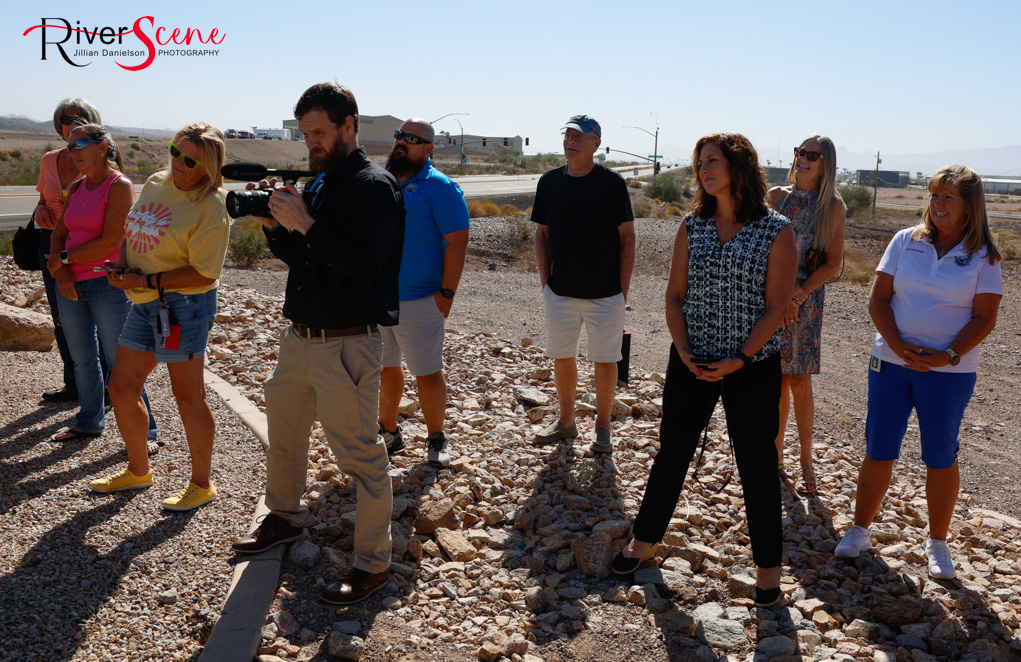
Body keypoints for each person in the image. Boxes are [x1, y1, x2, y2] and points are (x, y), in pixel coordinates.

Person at [230, 83, 405, 606]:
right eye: (305, 134)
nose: (311, 143)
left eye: (320, 133)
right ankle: (283, 518)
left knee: (361, 456)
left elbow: (362, 268)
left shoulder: (375, 187)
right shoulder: (323, 183)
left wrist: (304, 221)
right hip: (300, 338)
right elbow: (306, 259)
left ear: (349, 125)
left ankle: (373, 563)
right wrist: (273, 225)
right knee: (284, 435)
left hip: (348, 344)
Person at [613, 133, 796, 608]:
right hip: (691, 360)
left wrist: (740, 357)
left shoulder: (776, 229)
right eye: (700, 163)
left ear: (738, 166)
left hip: (752, 365)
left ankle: (768, 574)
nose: (703, 169)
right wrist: (685, 350)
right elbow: (674, 296)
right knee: (672, 451)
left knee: (757, 464)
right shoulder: (691, 226)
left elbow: (778, 305)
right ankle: (642, 541)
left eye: (712, 160)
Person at [834, 165, 1002, 580]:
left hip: (948, 372)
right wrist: (897, 346)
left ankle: (938, 542)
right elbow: (878, 299)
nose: (938, 204)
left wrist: (947, 356)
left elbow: (984, 318)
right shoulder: (905, 240)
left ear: (969, 207)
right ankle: (859, 529)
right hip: (891, 364)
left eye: (949, 197)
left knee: (940, 456)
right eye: (934, 195)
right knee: (879, 447)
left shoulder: (985, 255)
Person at [88, 123, 231, 512]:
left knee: (188, 395)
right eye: (175, 151)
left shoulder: (212, 206)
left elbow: (205, 272)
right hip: (147, 301)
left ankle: (202, 484)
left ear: (209, 165)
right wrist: (120, 263)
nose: (179, 162)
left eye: (190, 159)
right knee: (121, 387)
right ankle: (138, 471)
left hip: (184, 307)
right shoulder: (156, 181)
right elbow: (132, 231)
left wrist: (145, 278)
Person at [44, 124, 157, 444]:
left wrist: (63, 259)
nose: (72, 152)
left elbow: (111, 239)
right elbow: (57, 233)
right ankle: (89, 421)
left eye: (79, 144)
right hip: (70, 284)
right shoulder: (78, 186)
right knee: (82, 359)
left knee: (121, 362)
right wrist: (62, 272)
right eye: (69, 146)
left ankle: (146, 432)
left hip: (106, 284)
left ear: (103, 148)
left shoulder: (119, 185)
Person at [531, 115, 635, 454]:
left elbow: (627, 238)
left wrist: (622, 291)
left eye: (581, 135)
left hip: (605, 294)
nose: (571, 140)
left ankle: (602, 427)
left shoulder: (612, 184)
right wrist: (546, 283)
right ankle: (566, 422)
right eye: (568, 134)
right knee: (563, 356)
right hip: (560, 292)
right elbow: (542, 233)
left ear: (596, 144)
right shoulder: (548, 183)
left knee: (605, 360)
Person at [378, 118, 469, 469]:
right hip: (381, 298)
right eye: (399, 135)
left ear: (429, 148)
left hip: (420, 300)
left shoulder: (441, 187)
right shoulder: (383, 182)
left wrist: (446, 292)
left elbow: (458, 242)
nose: (402, 142)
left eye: (411, 138)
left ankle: (436, 438)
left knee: (427, 372)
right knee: (386, 367)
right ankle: (388, 432)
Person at [767, 135, 846, 494]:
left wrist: (799, 293)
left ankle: (806, 463)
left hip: (805, 302)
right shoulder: (775, 197)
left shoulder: (832, 207)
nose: (803, 158)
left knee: (799, 381)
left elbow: (833, 263)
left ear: (824, 162)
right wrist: (777, 295)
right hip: (770, 301)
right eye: (800, 151)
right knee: (776, 380)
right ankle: (776, 457)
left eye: (811, 154)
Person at [34, 98, 100, 403]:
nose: (70, 124)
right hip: (52, 246)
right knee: (62, 317)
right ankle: (74, 384)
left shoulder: (101, 157)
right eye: (65, 119)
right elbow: (42, 199)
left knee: (96, 318)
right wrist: (41, 212)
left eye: (78, 119)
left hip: (89, 248)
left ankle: (106, 387)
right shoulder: (49, 160)